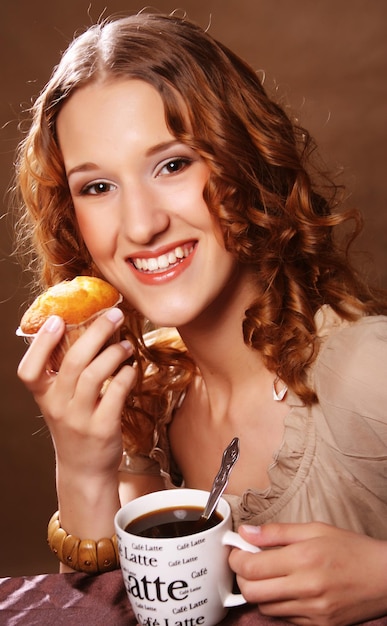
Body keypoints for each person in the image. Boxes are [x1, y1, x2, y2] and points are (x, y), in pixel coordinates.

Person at [14, 11, 387, 626]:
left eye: (173, 164)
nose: (140, 225)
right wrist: (81, 464)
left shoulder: (366, 372)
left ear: (242, 159)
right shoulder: (157, 396)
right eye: (97, 187)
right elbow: (107, 613)